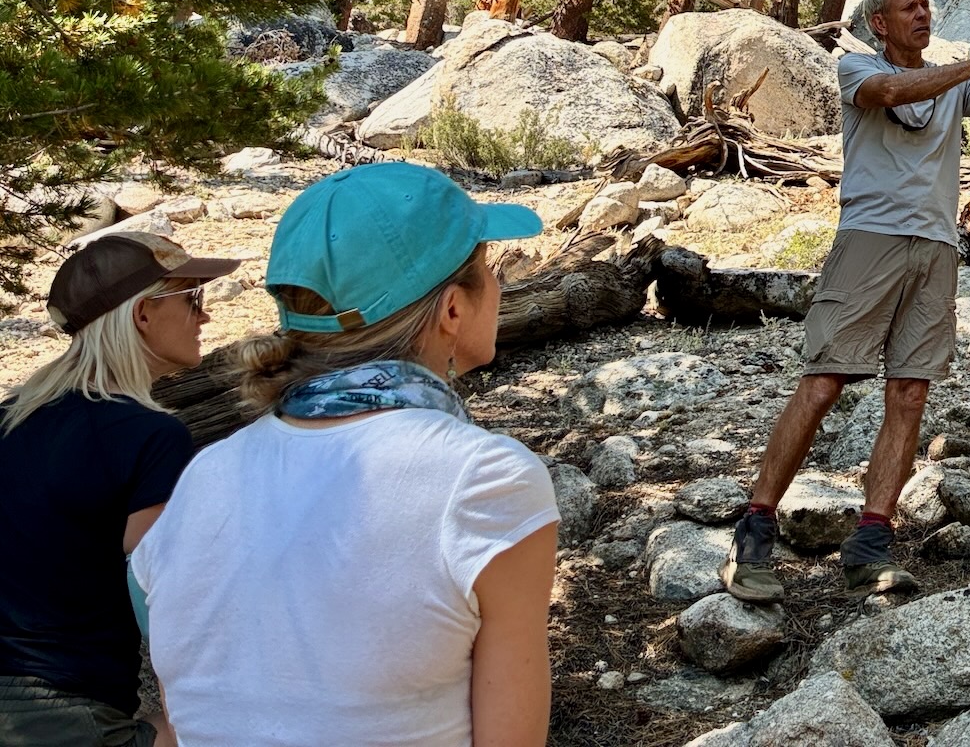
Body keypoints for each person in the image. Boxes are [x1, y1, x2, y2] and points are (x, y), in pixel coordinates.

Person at [129, 163, 559, 747]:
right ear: (453, 309)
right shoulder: (486, 479)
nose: (500, 287)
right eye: (490, 268)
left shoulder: (207, 474)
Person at [722, 0, 970, 602]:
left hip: (934, 246)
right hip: (868, 240)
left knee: (908, 394)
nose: (924, 14)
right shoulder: (854, 68)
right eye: (910, 7)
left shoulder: (959, 79)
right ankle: (755, 528)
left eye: (928, 4)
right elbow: (891, 90)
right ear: (881, 22)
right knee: (824, 381)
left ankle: (871, 542)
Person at [0, 231, 242, 747]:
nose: (205, 318)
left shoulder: (8, 420)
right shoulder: (150, 436)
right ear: (143, 315)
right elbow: (164, 600)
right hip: (64, 717)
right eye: (191, 299)